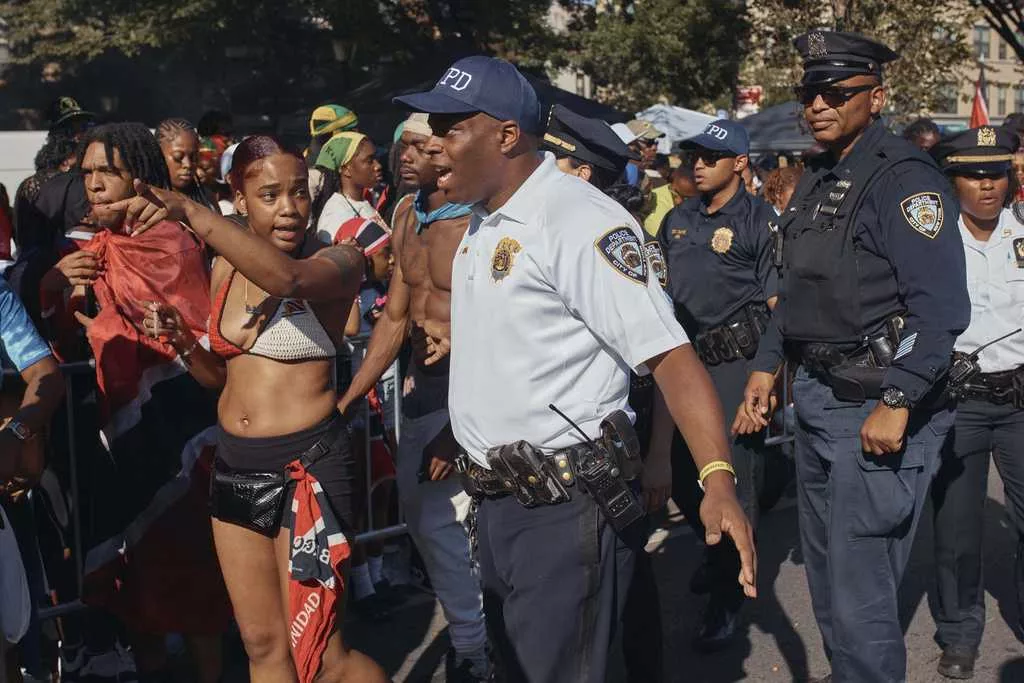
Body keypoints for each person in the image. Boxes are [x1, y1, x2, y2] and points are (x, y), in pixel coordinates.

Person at [395, 55, 756, 683]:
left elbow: (669, 356)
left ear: (506, 135)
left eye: (452, 128)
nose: (434, 143)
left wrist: (718, 478)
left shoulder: (578, 221)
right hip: (500, 504)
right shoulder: (483, 220)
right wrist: (464, 428)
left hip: (563, 512)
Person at [734, 31, 970, 683]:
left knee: (861, 594)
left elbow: (942, 307)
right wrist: (766, 362)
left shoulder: (902, 179)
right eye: (810, 92)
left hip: (873, 403)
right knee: (832, 583)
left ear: (877, 96)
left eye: (836, 92)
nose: (817, 105)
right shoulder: (818, 174)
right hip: (814, 395)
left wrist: (898, 399)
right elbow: (799, 291)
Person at [118, 134, 386, 683]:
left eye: (298, 193)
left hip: (306, 467)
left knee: (323, 654)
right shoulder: (224, 266)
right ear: (240, 200)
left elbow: (287, 280)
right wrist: (184, 344)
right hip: (236, 465)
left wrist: (189, 209)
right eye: (269, 195)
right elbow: (223, 381)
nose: (289, 208)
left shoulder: (338, 259)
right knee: (262, 645)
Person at [336, 112, 489, 682]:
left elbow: (501, 323)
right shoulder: (405, 212)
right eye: (401, 146)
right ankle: (477, 641)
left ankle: (480, 645)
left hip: (481, 391)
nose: (404, 156)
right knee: (430, 521)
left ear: (447, 152)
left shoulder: (481, 219)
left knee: (482, 523)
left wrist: (460, 422)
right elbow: (396, 317)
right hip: (424, 391)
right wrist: (351, 395)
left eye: (419, 147)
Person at [544, 101, 670, 683]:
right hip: (578, 434)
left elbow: (665, 362)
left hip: (627, 423)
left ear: (583, 171)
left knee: (626, 569)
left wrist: (660, 455)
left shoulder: (623, 243)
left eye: (555, 159)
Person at [657, 119, 779, 651]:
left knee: (735, 485)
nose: (698, 164)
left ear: (740, 164)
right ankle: (715, 555)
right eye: (694, 156)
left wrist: (769, 379)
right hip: (687, 364)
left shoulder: (758, 220)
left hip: (739, 365)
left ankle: (728, 601)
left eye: (711, 156)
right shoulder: (676, 220)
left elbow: (781, 308)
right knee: (684, 476)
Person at [928, 125, 1024, 680]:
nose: (987, 186)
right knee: (958, 530)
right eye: (974, 174)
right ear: (953, 179)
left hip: (1019, 400)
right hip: (958, 403)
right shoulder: (934, 242)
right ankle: (960, 633)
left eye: (997, 174)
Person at [311, 132, 386, 242]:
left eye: (376, 159)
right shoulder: (336, 216)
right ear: (346, 169)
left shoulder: (366, 200)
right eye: (369, 161)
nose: (378, 166)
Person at [156, 118, 215, 209]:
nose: (188, 164)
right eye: (178, 157)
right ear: (159, 156)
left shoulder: (207, 198)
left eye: (193, 157)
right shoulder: (150, 200)